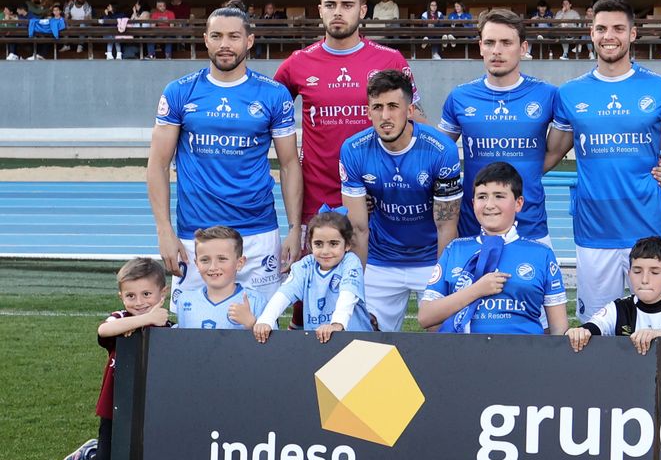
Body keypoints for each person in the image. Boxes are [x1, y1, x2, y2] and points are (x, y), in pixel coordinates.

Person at [546, 0, 661, 321]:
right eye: (601, 28)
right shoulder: (570, 93)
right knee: (595, 330)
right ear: (591, 34)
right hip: (595, 232)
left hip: (649, 228)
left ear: (633, 34)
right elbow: (552, 153)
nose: (609, 35)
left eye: (618, 28)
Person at [147, 5, 299, 310]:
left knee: (261, 327)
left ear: (249, 40)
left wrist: (294, 228)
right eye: (216, 36)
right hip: (196, 233)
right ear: (205, 39)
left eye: (233, 36)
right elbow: (158, 164)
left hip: (257, 232)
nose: (224, 44)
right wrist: (164, 230)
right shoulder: (179, 92)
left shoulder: (274, 95)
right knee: (193, 330)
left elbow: (289, 164)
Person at [274, 0, 413, 242]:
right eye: (330, 4)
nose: (337, 11)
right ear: (320, 10)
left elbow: (413, 117)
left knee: (373, 280)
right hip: (317, 202)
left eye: (347, 5)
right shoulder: (297, 63)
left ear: (362, 11)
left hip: (378, 200)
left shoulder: (390, 59)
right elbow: (268, 115)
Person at [339, 69, 463, 331]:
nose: (385, 116)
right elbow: (359, 228)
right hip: (381, 259)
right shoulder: (353, 149)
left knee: (446, 340)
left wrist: (440, 282)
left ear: (409, 110)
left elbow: (446, 225)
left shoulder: (441, 150)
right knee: (363, 341)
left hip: (431, 258)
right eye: (377, 107)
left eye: (393, 106)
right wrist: (356, 281)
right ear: (368, 111)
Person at [438, 9, 558, 241]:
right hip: (474, 228)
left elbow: (558, 148)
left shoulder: (548, 95)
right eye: (490, 42)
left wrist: (530, 173)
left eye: (506, 42)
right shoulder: (460, 97)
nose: (497, 50)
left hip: (530, 228)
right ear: (480, 46)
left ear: (523, 48)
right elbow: (438, 151)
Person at [56, 257, 171, 460]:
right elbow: (104, 330)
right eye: (131, 296)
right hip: (115, 408)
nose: (139, 302)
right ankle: (90, 453)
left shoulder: (169, 329)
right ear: (121, 296)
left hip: (151, 409)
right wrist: (143, 319)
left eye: (147, 294)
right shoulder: (121, 319)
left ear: (163, 293)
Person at [419, 162, 567, 335]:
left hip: (524, 357)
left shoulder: (541, 253)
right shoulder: (455, 249)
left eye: (499, 196)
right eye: (482, 197)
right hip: (463, 356)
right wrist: (476, 290)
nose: (489, 204)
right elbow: (425, 317)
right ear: (473, 203)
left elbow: (559, 330)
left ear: (519, 203)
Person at [250, 210, 370, 342]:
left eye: (334, 244)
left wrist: (337, 324)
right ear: (310, 245)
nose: (325, 251)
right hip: (320, 342)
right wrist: (266, 319)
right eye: (318, 244)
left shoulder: (351, 262)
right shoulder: (305, 266)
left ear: (347, 245)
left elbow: (348, 295)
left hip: (356, 342)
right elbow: (283, 294)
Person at [566, 235, 661, 353]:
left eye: (655, 272)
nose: (645, 279)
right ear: (629, 274)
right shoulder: (618, 308)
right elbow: (594, 326)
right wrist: (581, 331)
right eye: (637, 271)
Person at [175, 226, 267, 331]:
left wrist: (252, 324)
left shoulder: (256, 301)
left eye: (222, 259)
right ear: (196, 264)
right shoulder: (185, 300)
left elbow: (274, 345)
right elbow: (181, 343)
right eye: (205, 260)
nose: (213, 267)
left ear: (239, 263)